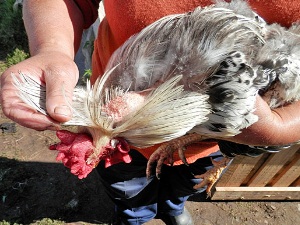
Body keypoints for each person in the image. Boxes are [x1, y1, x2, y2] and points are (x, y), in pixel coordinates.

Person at [1, 0, 300, 224]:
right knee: (126, 187)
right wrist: (52, 48)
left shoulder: (234, 99)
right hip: (131, 114)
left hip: (218, 140)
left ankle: (174, 210)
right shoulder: (119, 115)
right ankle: (135, 217)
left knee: (185, 180)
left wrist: (278, 130)